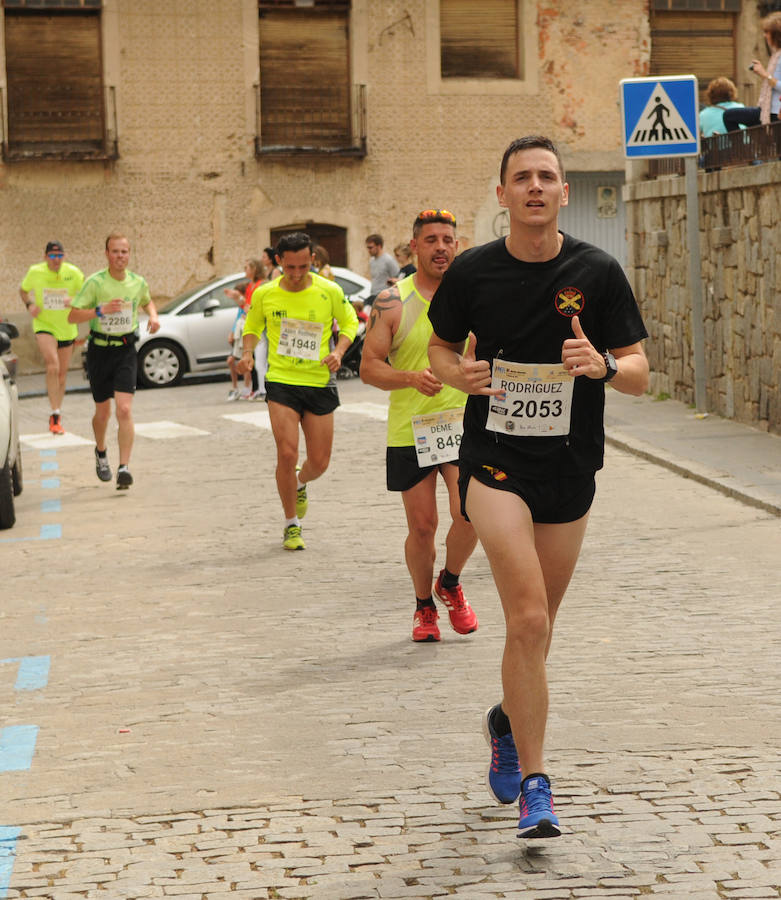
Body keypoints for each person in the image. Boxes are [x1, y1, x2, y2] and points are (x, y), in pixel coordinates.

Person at [427, 136, 649, 839]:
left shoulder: (597, 271)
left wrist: (603, 367)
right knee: (524, 619)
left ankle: (503, 718)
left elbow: (640, 369)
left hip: (568, 468)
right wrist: (455, 372)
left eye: (545, 177)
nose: (533, 186)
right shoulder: (472, 273)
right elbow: (438, 345)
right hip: (492, 460)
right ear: (501, 195)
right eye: (520, 177)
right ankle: (536, 785)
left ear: (562, 193)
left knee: (538, 629)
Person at [360, 209, 478, 643]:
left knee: (470, 512)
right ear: (415, 247)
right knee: (423, 527)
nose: (441, 247)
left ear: (457, 245)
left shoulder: (471, 298)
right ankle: (423, 606)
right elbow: (368, 368)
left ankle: (449, 581)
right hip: (411, 429)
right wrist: (410, 377)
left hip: (462, 424)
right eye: (431, 240)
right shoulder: (393, 301)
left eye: (448, 239)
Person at [239, 232, 358, 551]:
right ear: (279, 261)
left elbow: (349, 324)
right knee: (287, 452)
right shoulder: (265, 294)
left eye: (303, 267)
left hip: (319, 381)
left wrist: (340, 351)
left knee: (319, 462)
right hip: (282, 380)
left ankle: (300, 482)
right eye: (290, 267)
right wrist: (248, 354)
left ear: (312, 261)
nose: (296, 274)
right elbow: (252, 328)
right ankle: (292, 523)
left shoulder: (329, 290)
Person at [68, 232, 160, 489]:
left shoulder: (137, 282)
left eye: (124, 251)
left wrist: (153, 316)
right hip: (99, 351)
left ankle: (124, 467)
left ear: (129, 254)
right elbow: (73, 316)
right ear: (107, 253)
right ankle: (100, 452)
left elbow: (147, 300)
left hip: (125, 350)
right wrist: (100, 310)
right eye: (115, 251)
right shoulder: (95, 283)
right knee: (103, 411)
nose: (120, 256)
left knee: (125, 409)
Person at [19, 241, 84, 434]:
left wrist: (74, 300)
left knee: (62, 375)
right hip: (44, 325)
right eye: (52, 256)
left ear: (64, 256)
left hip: (67, 328)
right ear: (45, 257)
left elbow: (87, 295)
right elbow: (23, 291)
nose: (56, 260)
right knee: (52, 365)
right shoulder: (35, 272)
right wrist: (30, 305)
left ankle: (56, 415)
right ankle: (55, 414)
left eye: (59, 256)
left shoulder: (74, 273)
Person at [724, 12, 781, 131]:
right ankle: (747, 148)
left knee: (729, 116)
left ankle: (744, 148)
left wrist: (764, 74)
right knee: (729, 116)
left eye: (767, 32)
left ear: (776, 34)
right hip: (766, 109)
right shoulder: (776, 55)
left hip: (774, 112)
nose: (765, 36)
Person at [225, 259, 266, 400]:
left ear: (254, 269)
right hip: (250, 325)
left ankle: (262, 389)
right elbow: (246, 307)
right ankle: (258, 388)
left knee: (261, 360)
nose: (245, 269)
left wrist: (240, 299)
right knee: (255, 360)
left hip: (261, 328)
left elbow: (252, 307)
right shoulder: (250, 286)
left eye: (247, 267)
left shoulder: (261, 285)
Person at [365, 233, 400, 305]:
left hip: (386, 298)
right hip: (373, 295)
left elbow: (398, 278)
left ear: (379, 246)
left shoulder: (389, 260)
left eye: (371, 247)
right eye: (367, 248)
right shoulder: (371, 260)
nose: (368, 250)